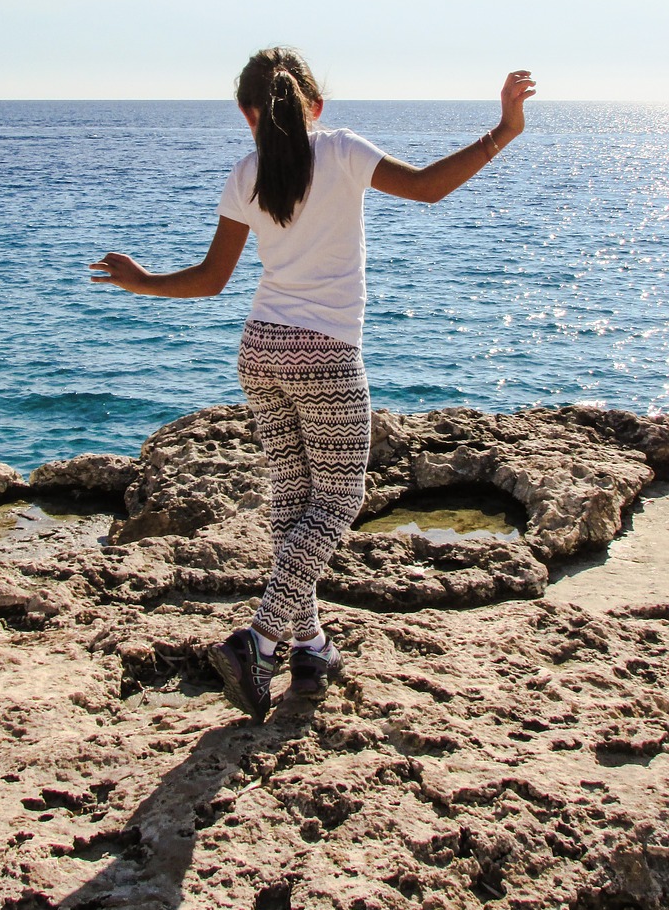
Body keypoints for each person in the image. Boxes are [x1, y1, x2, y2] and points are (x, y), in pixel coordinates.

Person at [90, 48, 535, 723]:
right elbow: (428, 187)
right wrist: (502, 131)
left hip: (260, 352)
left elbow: (211, 282)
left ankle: (311, 645)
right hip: (324, 356)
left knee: (295, 507)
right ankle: (259, 640)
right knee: (338, 502)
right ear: (315, 106)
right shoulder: (344, 150)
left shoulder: (246, 172)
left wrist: (140, 278)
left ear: (248, 116)